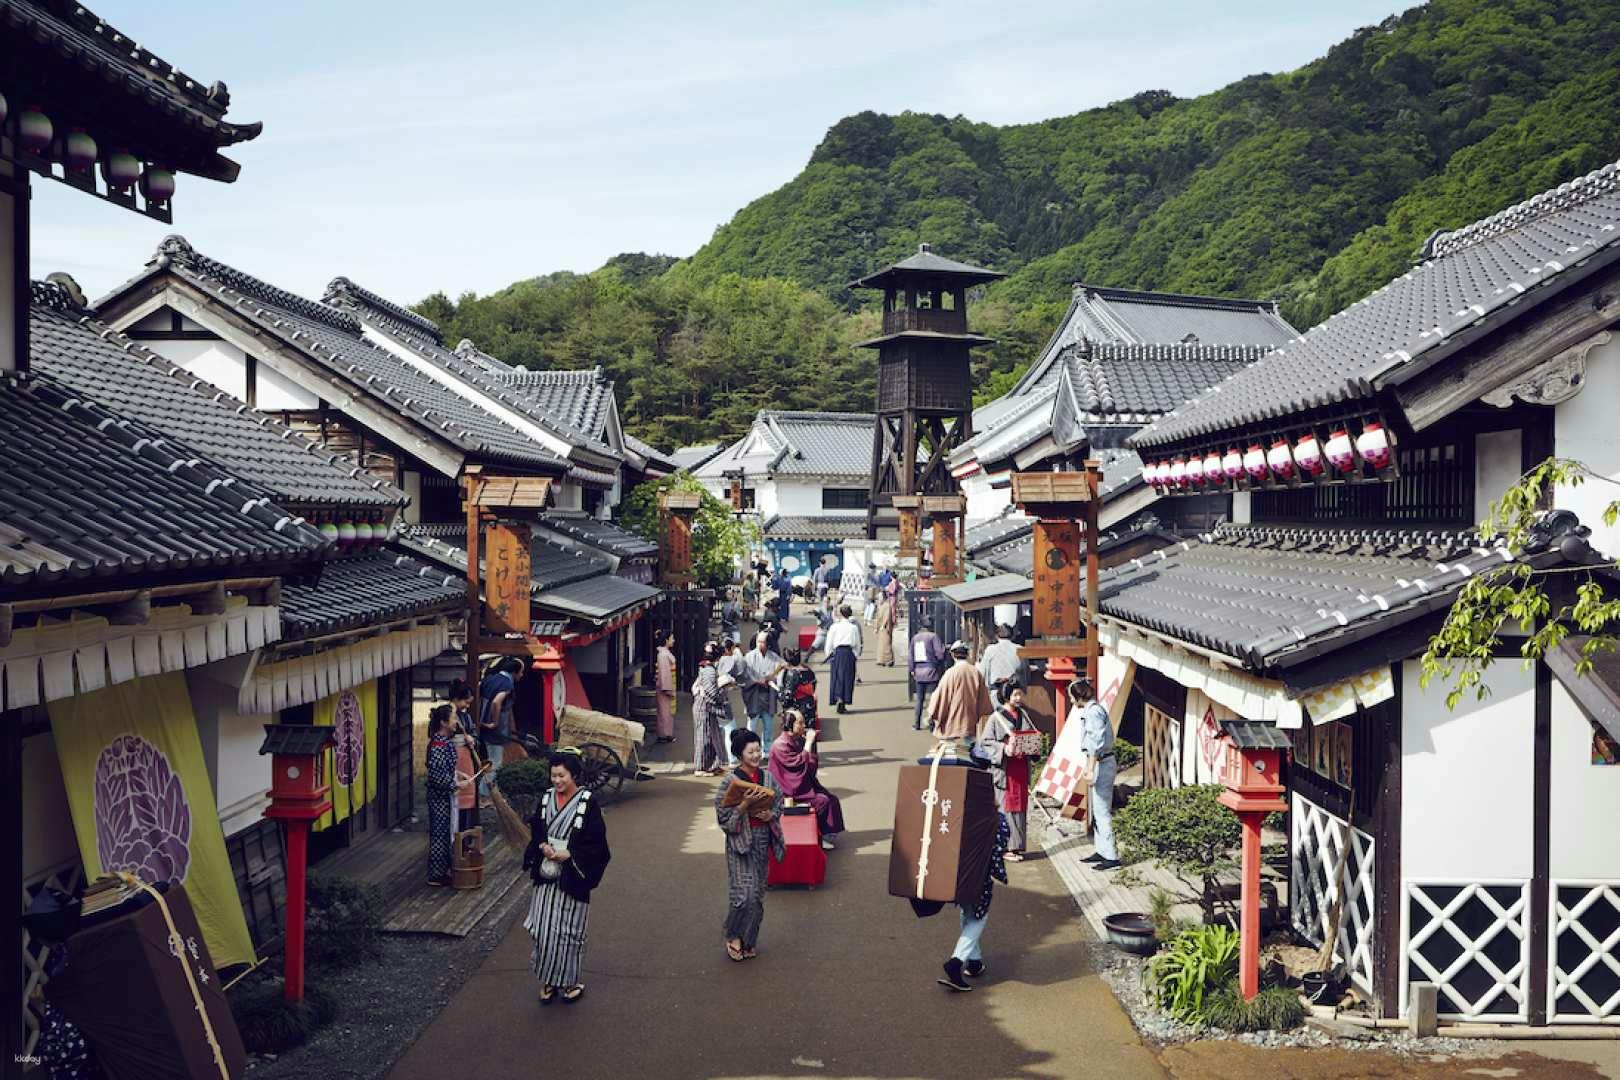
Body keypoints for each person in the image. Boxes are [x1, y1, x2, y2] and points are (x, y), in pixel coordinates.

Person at [522, 750, 612, 1004]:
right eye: (553, 776)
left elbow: (597, 843)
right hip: (546, 875)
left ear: (573, 775)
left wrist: (569, 854)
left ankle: (571, 980)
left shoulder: (587, 802)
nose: (557, 781)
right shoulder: (546, 798)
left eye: (562, 775)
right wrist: (542, 846)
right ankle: (548, 980)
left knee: (568, 931)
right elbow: (537, 828)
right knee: (542, 929)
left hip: (572, 874)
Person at [715, 729, 784, 961]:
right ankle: (733, 933)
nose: (756, 755)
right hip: (739, 842)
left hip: (762, 839)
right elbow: (723, 818)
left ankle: (748, 939)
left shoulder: (767, 777)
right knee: (742, 895)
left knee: (756, 895)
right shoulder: (729, 781)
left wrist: (770, 814)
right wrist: (744, 805)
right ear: (740, 754)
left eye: (758, 750)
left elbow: (779, 800)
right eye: (751, 751)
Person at [939, 816, 1009, 992]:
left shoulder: (955, 810)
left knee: (969, 913)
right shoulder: (993, 819)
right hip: (977, 876)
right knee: (979, 918)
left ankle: (975, 962)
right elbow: (998, 848)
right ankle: (956, 962)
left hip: (956, 874)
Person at [976, 680, 1033, 861]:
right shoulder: (996, 717)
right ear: (1006, 696)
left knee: (1020, 806)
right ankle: (1006, 847)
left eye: (1020, 694)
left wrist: (1032, 745)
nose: (1018, 698)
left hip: (1020, 766)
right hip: (1005, 768)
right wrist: (1003, 748)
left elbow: (1031, 735)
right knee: (1006, 807)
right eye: (1015, 695)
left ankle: (1017, 845)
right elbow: (985, 742)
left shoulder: (1023, 714)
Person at [769, 709, 843, 848]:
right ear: (789, 724)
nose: (803, 725)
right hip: (788, 790)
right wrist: (808, 743)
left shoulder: (796, 740)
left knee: (831, 798)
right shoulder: (780, 745)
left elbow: (808, 766)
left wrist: (810, 745)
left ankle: (823, 834)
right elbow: (797, 766)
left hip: (801, 784)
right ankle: (820, 837)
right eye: (800, 723)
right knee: (823, 801)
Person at [1070, 677, 1120, 871]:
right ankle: (1102, 850)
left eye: (1071, 697)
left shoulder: (1094, 713)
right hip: (1099, 761)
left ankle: (1112, 856)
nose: (1071, 701)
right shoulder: (1092, 710)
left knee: (1102, 809)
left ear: (1078, 696)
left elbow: (1095, 743)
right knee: (1097, 809)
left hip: (1102, 762)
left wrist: (1090, 768)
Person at [927, 640, 993, 744]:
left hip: (951, 723)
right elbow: (984, 701)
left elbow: (940, 697)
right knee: (970, 751)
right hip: (970, 722)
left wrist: (931, 714)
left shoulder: (950, 673)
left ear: (953, 655)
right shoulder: (975, 672)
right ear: (967, 654)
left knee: (949, 754)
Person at [478, 656, 524, 805]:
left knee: (491, 760)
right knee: (495, 763)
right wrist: (495, 722)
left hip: (483, 725)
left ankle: (488, 793)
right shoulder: (507, 684)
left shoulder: (490, 679)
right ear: (514, 672)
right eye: (521, 672)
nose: (521, 676)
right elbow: (497, 703)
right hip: (494, 730)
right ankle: (484, 795)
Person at [424, 705, 459, 886]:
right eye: (453, 718)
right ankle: (436, 874)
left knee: (446, 832)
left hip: (446, 795)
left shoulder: (444, 741)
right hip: (439, 797)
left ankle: (444, 869)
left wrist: (461, 777)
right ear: (444, 722)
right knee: (439, 834)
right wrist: (456, 784)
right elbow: (438, 777)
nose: (456, 722)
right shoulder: (438, 746)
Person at [740, 630, 785, 744]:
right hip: (753, 694)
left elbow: (782, 669)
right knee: (752, 726)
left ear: (768, 643)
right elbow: (745, 675)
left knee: (768, 725)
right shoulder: (749, 657)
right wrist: (757, 681)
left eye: (762, 642)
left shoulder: (774, 657)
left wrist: (773, 679)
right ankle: (748, 747)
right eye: (758, 641)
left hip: (768, 694)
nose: (760, 644)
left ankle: (766, 750)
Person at [691, 642, 729, 776]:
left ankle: (712, 765)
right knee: (704, 737)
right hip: (704, 706)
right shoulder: (710, 671)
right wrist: (723, 690)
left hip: (705, 706)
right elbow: (712, 694)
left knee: (713, 736)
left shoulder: (705, 667)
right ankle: (700, 767)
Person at [824, 605, 862, 714]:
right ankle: (844, 701)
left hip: (837, 653)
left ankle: (838, 698)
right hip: (849, 653)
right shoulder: (853, 627)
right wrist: (856, 655)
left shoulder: (835, 626)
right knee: (848, 678)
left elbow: (829, 642)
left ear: (841, 614)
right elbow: (857, 643)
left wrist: (828, 655)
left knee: (837, 677)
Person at [909, 623, 946, 731]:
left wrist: (912, 669)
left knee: (919, 700)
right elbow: (939, 653)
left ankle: (917, 723)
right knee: (933, 699)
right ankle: (932, 723)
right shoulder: (933, 636)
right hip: (931, 670)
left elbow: (911, 655)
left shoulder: (915, 638)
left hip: (918, 671)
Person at [978, 625, 1023, 705]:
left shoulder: (990, 650)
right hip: (1014, 693)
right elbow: (1026, 673)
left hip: (996, 692)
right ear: (1012, 636)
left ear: (997, 636)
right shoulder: (1020, 649)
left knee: (998, 716)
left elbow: (982, 673)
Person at [777, 646, 819, 731]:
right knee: (809, 733)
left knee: (797, 737)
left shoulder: (792, 674)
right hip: (809, 705)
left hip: (796, 709)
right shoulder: (808, 670)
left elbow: (787, 697)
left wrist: (779, 695)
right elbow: (813, 687)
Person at [654, 630, 678, 744]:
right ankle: (664, 734)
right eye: (671, 638)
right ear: (666, 640)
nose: (673, 640)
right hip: (665, 688)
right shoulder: (663, 655)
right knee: (664, 712)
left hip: (666, 686)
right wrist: (668, 689)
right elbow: (664, 675)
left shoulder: (664, 653)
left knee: (666, 711)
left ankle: (666, 733)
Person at [875, 579, 897, 666]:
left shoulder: (887, 605)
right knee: (881, 644)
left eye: (879, 597)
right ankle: (881, 660)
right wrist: (876, 627)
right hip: (881, 626)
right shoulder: (880, 606)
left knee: (887, 643)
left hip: (886, 626)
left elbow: (887, 616)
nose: (878, 599)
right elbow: (878, 618)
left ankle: (889, 660)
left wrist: (883, 625)